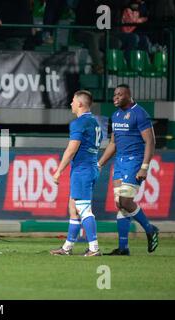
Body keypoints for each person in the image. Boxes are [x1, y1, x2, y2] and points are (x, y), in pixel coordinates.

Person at [98, 84, 159, 255]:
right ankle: (123, 248)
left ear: (128, 95)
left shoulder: (140, 114)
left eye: (119, 94)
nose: (115, 97)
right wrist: (100, 163)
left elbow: (150, 142)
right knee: (120, 204)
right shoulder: (115, 115)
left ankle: (149, 228)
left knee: (125, 201)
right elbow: (113, 143)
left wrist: (144, 167)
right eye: (114, 95)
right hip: (120, 163)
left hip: (135, 162)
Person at [50, 90, 102, 256]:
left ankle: (94, 248)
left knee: (83, 209)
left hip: (82, 170)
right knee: (73, 207)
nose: (71, 103)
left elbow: (72, 149)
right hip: (91, 167)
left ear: (80, 103)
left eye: (73, 101)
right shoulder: (94, 122)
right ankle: (67, 247)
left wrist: (58, 171)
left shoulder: (78, 123)